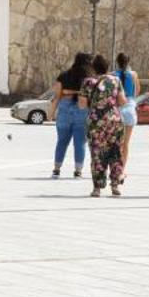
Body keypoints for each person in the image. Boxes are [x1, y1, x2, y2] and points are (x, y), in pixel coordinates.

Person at [83, 54, 127, 197]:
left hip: (96, 121)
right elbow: (122, 101)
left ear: (93, 68)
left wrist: (94, 103)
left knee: (97, 153)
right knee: (115, 152)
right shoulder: (116, 80)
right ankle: (115, 186)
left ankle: (97, 188)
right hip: (114, 121)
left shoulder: (88, 82)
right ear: (108, 67)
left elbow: (82, 104)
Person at [50, 51, 91, 179]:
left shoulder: (64, 75)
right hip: (82, 108)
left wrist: (51, 113)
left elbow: (57, 95)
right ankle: (78, 171)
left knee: (62, 141)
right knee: (80, 143)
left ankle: (56, 169)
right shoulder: (90, 78)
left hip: (65, 108)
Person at [114, 52, 139, 173]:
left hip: (117, 109)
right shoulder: (133, 75)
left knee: (116, 143)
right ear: (128, 62)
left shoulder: (113, 75)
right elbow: (137, 91)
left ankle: (114, 168)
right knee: (126, 143)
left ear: (117, 62)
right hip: (129, 108)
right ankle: (122, 170)